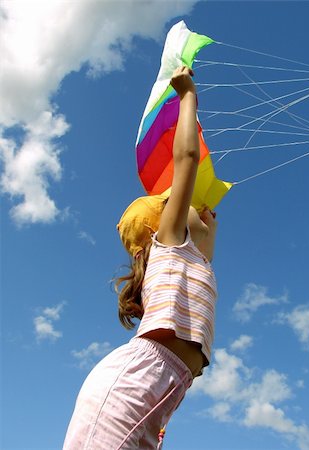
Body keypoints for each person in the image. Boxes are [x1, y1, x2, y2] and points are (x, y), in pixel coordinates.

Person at [63, 66, 218, 450]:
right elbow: (185, 159)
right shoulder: (170, 244)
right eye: (173, 204)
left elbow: (207, 233)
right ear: (159, 228)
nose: (192, 203)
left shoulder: (196, 261)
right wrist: (187, 97)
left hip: (158, 396)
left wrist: (207, 215)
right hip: (132, 384)